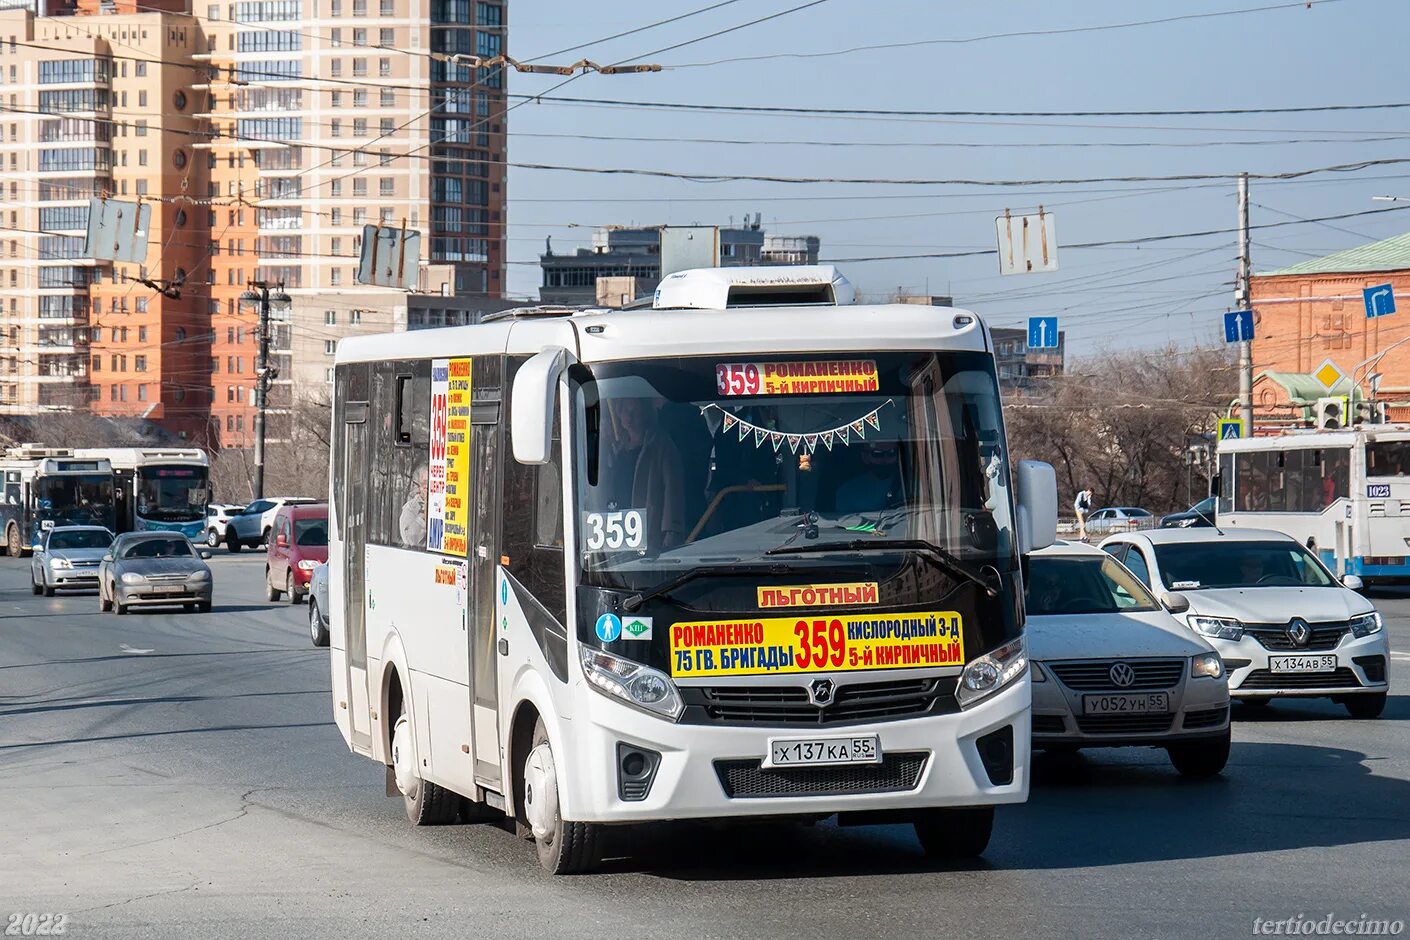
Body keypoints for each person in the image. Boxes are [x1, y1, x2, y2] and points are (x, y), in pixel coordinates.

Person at [836, 441, 902, 515]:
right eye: (877, 454)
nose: (885, 459)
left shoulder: (911, 485)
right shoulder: (847, 491)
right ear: (865, 456)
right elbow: (845, 522)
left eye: (891, 453)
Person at [399, 463, 428, 548]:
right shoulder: (410, 508)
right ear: (419, 485)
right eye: (425, 483)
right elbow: (410, 539)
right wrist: (423, 516)